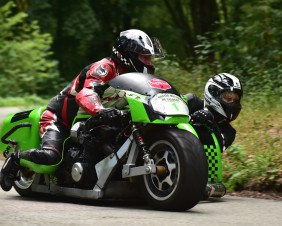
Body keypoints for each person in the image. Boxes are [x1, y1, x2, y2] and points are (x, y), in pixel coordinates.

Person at [0, 29, 164, 191]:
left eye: (149, 58)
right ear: (127, 54)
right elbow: (87, 92)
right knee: (51, 157)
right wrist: (99, 110)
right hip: (60, 119)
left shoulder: (134, 79)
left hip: (91, 120)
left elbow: (150, 95)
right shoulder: (105, 68)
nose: (149, 63)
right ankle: (16, 159)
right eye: (145, 57)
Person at [185, 73, 243, 151]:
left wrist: (210, 122)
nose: (232, 103)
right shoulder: (192, 102)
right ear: (213, 93)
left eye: (235, 100)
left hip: (193, 159)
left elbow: (218, 148)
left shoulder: (230, 132)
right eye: (228, 98)